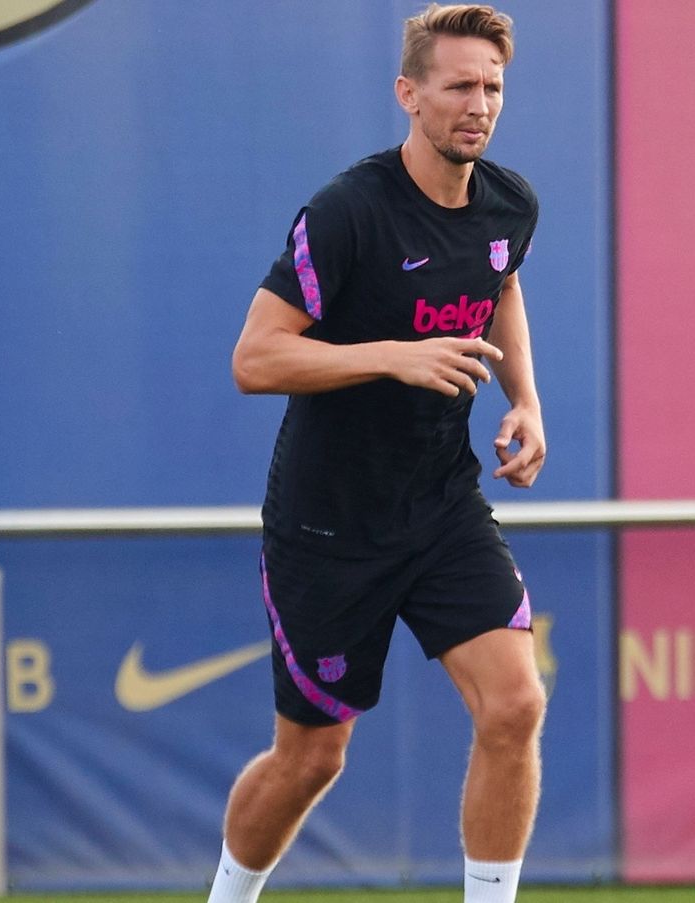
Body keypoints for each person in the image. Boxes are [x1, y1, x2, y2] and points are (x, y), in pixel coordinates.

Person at [207, 6, 545, 903]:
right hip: (328, 523)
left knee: (516, 704)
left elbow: (500, 280)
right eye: (460, 85)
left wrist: (526, 399)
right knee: (312, 755)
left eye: (494, 87)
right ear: (410, 94)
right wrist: (392, 356)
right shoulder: (348, 211)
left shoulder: (511, 202)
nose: (480, 104)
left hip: (440, 503)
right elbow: (254, 357)